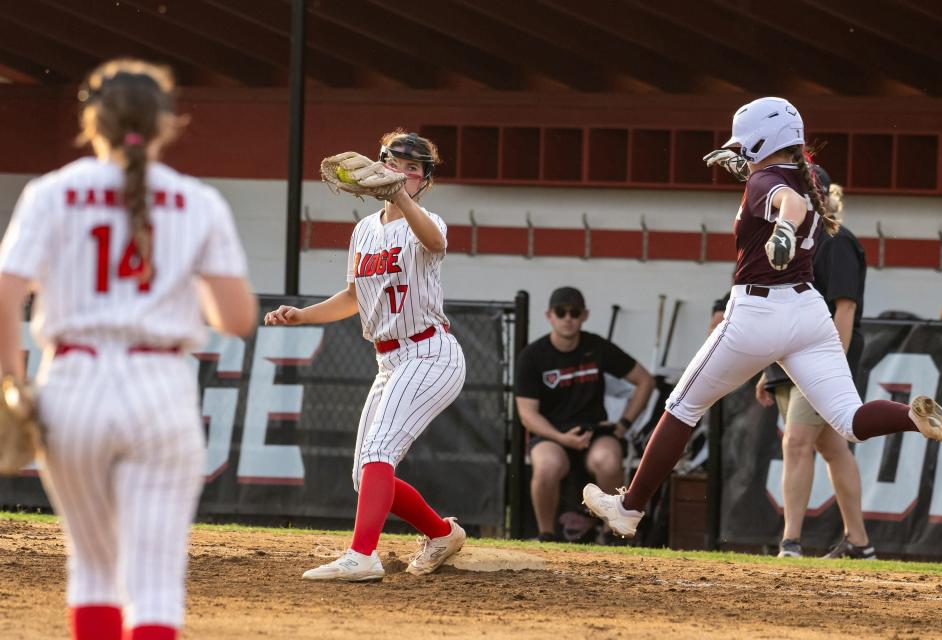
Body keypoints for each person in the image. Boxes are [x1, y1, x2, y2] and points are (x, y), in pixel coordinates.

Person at [582, 96, 942, 540]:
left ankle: (629, 507)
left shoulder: (770, 179)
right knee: (849, 420)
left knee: (683, 407)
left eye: (746, 144)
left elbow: (788, 205)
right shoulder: (807, 178)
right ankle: (913, 419)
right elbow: (794, 197)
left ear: (764, 139)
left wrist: (782, 228)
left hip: (759, 310)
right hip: (808, 312)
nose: (741, 155)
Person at [0, 59, 256, 640]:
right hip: (159, 388)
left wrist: (12, 381)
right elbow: (236, 318)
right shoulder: (198, 202)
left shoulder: (52, 192)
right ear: (167, 124)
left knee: (92, 568)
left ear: (92, 122)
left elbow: (6, 292)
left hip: (73, 384)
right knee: (155, 578)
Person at [265, 130, 467, 581]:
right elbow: (354, 296)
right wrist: (302, 315)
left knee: (379, 452)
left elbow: (434, 242)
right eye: (396, 162)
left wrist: (400, 195)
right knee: (366, 475)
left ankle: (363, 555)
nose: (405, 172)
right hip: (389, 360)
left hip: (430, 352)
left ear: (424, 181)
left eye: (415, 168)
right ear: (378, 165)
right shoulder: (364, 231)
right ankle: (441, 534)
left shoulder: (427, 220)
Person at [753, 178, 874, 559]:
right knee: (833, 449)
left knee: (796, 442)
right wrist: (766, 367)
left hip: (818, 359)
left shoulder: (834, 239)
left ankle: (790, 542)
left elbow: (846, 307)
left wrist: (830, 365)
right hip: (789, 358)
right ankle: (859, 543)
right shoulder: (790, 241)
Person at [515, 287, 654, 542]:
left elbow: (645, 380)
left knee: (609, 460)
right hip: (551, 435)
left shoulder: (596, 347)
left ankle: (611, 533)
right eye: (561, 312)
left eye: (575, 312)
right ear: (549, 315)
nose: (568, 317)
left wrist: (623, 424)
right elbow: (527, 415)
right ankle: (546, 534)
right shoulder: (532, 356)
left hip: (595, 432)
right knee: (547, 466)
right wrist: (561, 437)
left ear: (584, 315)